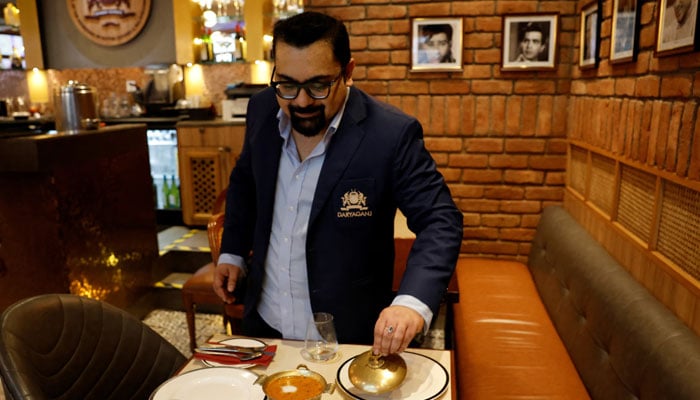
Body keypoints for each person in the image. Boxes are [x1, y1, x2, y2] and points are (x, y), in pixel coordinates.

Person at [212, 11, 463, 356]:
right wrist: (233, 252)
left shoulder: (390, 134)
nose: (300, 101)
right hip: (266, 325)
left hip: (349, 335)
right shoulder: (260, 110)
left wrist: (410, 302)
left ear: (348, 73)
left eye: (318, 86)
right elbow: (244, 182)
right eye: (286, 84)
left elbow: (440, 220)